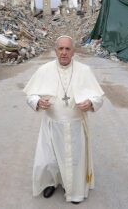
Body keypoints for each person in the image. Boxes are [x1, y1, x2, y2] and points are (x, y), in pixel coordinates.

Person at [23, 35, 104, 204]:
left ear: (73, 51)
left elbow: (99, 98)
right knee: (49, 159)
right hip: (52, 124)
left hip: (76, 125)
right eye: (61, 49)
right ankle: (51, 183)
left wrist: (90, 102)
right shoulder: (44, 70)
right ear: (55, 51)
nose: (64, 52)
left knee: (74, 160)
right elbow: (30, 95)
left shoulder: (84, 70)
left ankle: (74, 191)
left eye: (68, 49)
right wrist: (37, 101)